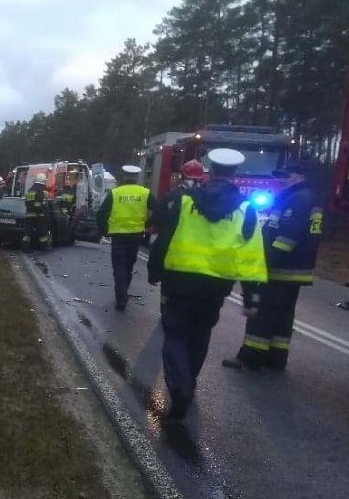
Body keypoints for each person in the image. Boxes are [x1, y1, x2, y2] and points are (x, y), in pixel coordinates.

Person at [148, 148, 267, 421]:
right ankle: (188, 382)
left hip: (180, 282)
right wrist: (251, 299)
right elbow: (250, 257)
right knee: (200, 335)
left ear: (209, 171)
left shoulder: (185, 201)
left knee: (175, 335)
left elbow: (164, 239)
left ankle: (181, 388)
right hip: (216, 287)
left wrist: (155, 271)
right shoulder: (248, 210)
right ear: (234, 174)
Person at [223, 162, 323, 371]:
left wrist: (265, 263)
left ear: (300, 176)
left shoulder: (297, 199)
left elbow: (287, 237)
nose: (282, 179)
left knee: (263, 313)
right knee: (282, 316)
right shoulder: (307, 197)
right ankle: (276, 357)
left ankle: (250, 357)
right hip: (294, 271)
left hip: (281, 269)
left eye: (286, 176)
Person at [96, 164, 156, 310]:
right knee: (128, 266)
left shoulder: (115, 193)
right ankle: (124, 293)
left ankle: (121, 298)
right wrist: (147, 224)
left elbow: (101, 213)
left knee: (119, 267)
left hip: (118, 236)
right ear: (136, 177)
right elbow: (159, 210)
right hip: (136, 236)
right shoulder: (145, 192)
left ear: (123, 176)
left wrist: (105, 231)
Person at [24, 172, 49, 247]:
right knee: (42, 232)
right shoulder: (40, 190)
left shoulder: (30, 189)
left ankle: (25, 247)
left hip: (29, 214)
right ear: (42, 181)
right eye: (45, 181)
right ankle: (42, 246)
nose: (45, 182)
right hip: (39, 214)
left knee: (28, 232)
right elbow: (39, 203)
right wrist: (40, 211)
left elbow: (27, 202)